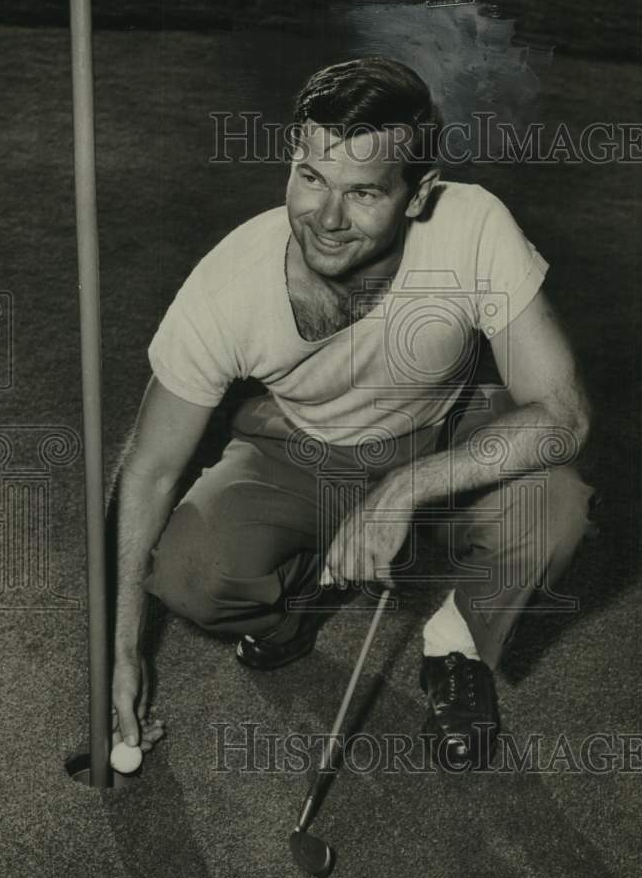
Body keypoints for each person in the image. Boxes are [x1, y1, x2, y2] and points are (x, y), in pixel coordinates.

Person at [111, 56, 595, 770]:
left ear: (418, 193)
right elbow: (148, 470)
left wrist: (404, 490)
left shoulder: (471, 225)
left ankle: (453, 645)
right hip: (298, 449)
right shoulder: (226, 286)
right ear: (293, 162)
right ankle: (303, 592)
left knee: (555, 504)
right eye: (311, 179)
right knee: (192, 577)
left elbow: (564, 415)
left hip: (444, 436)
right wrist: (119, 651)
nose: (326, 219)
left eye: (364, 192)